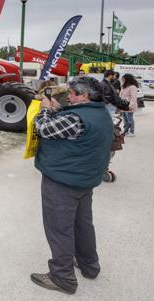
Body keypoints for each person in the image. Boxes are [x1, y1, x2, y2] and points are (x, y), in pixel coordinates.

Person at [30, 76, 114, 295]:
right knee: (82, 225)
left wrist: (47, 109)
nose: (68, 96)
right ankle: (89, 265)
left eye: (72, 94)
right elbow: (74, 127)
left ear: (84, 96)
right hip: (84, 180)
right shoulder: (100, 112)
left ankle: (62, 277)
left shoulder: (76, 117)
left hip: (63, 181)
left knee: (59, 229)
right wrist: (60, 110)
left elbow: (43, 128)